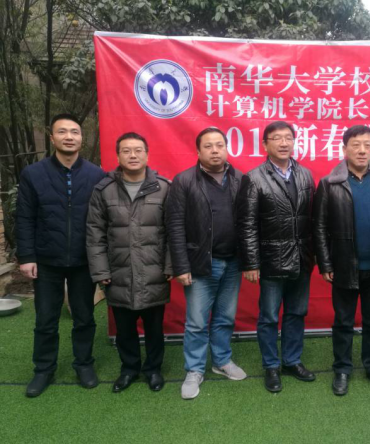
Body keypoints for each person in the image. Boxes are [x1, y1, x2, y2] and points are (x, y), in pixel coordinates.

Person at [16, 113, 106, 397]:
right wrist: (26, 256)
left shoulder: (96, 175)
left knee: (84, 316)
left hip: (83, 260)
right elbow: (25, 218)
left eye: (74, 132)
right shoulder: (33, 174)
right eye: (63, 132)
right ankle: (44, 369)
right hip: (46, 260)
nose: (69, 137)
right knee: (46, 319)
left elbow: (103, 221)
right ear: (52, 137)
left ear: (82, 138)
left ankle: (84, 364)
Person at [314, 125, 370, 396]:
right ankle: (342, 368)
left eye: (367, 144)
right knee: (343, 321)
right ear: (344, 149)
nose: (362, 150)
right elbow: (319, 227)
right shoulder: (330, 183)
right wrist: (325, 264)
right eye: (356, 145)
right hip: (343, 267)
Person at [166, 127, 247, 401]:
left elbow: (248, 222)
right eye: (208, 146)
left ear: (226, 148)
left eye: (219, 145)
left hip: (233, 262)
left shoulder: (240, 179)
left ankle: (221, 361)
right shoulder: (184, 180)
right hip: (201, 263)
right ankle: (194, 370)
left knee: (225, 317)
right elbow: (175, 225)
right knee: (197, 322)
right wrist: (181, 266)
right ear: (198, 151)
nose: (215, 151)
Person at [87, 132, 172, 393]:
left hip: (154, 271)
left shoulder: (164, 187)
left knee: (154, 328)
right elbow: (95, 233)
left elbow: (174, 231)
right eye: (126, 151)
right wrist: (100, 270)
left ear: (147, 154)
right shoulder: (103, 190)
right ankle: (129, 369)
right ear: (118, 156)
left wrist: (171, 265)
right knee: (124, 329)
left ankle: (153, 369)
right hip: (118, 272)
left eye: (138, 150)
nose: (132, 155)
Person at [237, 121, 316, 393]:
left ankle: (292, 361)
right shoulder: (254, 177)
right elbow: (247, 224)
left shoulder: (305, 174)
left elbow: (312, 219)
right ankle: (271, 365)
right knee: (269, 316)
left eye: (288, 138)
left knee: (297, 312)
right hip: (271, 260)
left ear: (294, 141)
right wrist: (251, 262)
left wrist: (315, 254)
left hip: (302, 258)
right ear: (265, 144)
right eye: (277, 138)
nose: (283, 143)